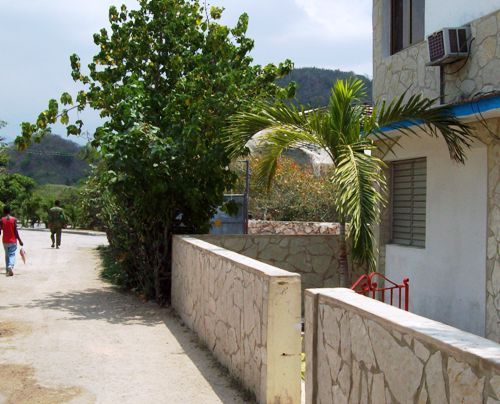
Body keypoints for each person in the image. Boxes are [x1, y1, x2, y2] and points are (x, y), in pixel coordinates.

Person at [0, 206, 24, 277]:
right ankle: (10, 266)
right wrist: (19, 240)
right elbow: (15, 231)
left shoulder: (2, 220)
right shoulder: (13, 219)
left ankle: (8, 269)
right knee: (12, 254)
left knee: (7, 255)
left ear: (4, 212)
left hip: (5, 241)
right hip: (13, 240)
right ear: (10, 211)